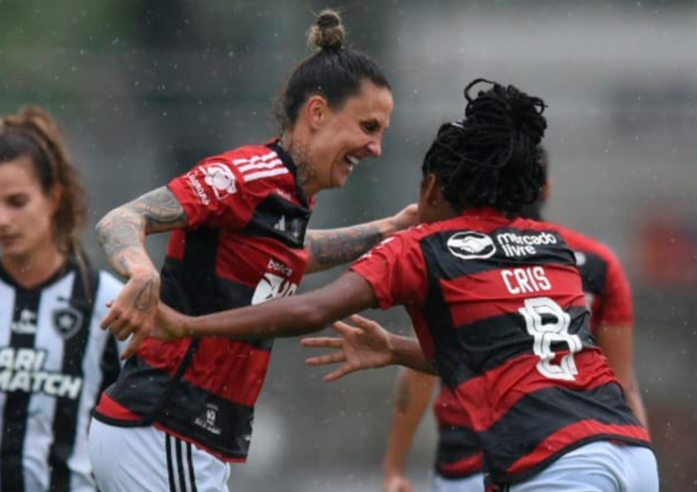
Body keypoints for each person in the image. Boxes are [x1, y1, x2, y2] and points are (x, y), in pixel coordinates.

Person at [150, 79, 658, 492]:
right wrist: (393, 347)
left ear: (433, 188)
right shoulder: (550, 245)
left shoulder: (422, 247)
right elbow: (505, 354)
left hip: (555, 463)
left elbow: (312, 311)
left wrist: (188, 323)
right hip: (630, 451)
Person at [89, 9, 416, 492]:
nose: (375, 148)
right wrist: (141, 271)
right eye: (368, 127)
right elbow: (121, 219)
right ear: (318, 113)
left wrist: (388, 228)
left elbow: (291, 254)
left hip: (180, 435)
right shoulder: (247, 176)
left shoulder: (288, 197)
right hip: (163, 425)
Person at [381, 147, 649, 492]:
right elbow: (623, 383)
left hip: (474, 459)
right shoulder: (593, 262)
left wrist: (394, 466)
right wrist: (638, 457)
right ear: (545, 189)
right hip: (581, 450)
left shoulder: (455, 256)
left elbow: (418, 372)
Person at [0, 106, 125, 492]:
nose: (1, 220)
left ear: (54, 197)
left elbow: (140, 432)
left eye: (16, 202)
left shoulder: (108, 301)